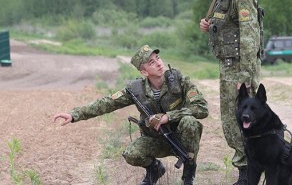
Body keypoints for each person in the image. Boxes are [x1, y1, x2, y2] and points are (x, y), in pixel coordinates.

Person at [53, 45, 208, 185]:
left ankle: (189, 174)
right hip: (156, 139)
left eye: (158, 58)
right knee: (131, 154)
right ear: (144, 72)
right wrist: (74, 114)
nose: (159, 63)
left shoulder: (180, 81)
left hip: (181, 138)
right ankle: (155, 169)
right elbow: (107, 103)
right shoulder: (136, 91)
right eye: (151, 62)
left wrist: (169, 116)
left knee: (190, 122)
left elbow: (202, 108)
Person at [193, 0, 262, 185]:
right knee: (232, 122)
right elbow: (228, 25)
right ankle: (245, 173)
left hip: (239, 70)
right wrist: (209, 24)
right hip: (229, 66)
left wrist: (244, 77)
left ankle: (250, 175)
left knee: (245, 121)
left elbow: (249, 38)